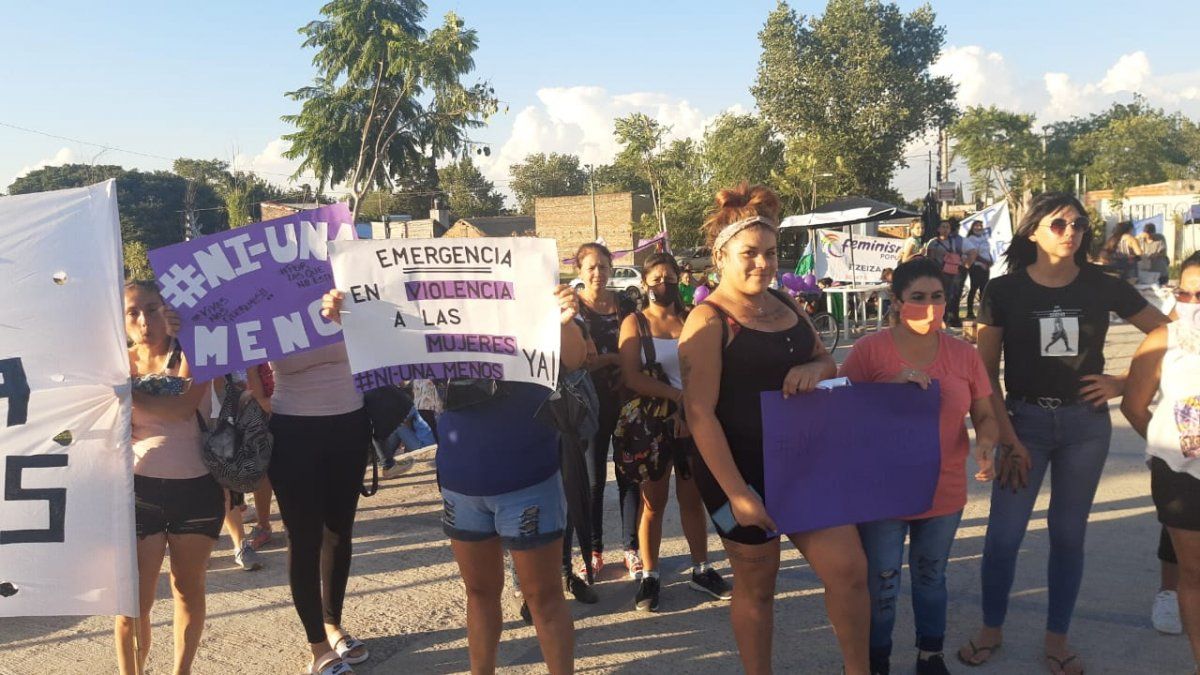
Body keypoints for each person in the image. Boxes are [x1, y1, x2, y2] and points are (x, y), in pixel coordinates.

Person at [321, 283, 587, 675]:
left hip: (528, 476)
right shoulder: (436, 320)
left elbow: (576, 359)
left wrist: (563, 320)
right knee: (479, 594)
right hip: (462, 483)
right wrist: (350, 317)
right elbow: (383, 350)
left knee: (543, 598)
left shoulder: (533, 305)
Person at [957, 192, 1169, 674]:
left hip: (1084, 427)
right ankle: (991, 629)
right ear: (1032, 231)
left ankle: (1057, 639)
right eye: (1058, 224)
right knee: (1004, 537)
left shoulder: (1102, 284)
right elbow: (984, 376)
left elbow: (1168, 332)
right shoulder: (1004, 291)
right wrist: (1005, 437)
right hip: (1023, 423)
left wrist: (1121, 382)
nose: (1070, 232)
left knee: (1068, 536)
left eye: (1077, 224)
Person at [679, 184, 869, 674]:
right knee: (758, 586)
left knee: (849, 571)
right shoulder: (708, 319)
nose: (762, 264)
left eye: (770, 252)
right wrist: (738, 492)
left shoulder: (785, 300)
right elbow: (699, 413)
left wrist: (818, 371)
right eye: (749, 254)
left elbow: (825, 359)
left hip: (803, 463)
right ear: (720, 255)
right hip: (737, 473)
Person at [840, 258, 999, 675]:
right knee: (884, 583)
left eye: (937, 297)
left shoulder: (964, 355)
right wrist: (883, 390)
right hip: (882, 493)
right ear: (896, 302)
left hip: (942, 490)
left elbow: (984, 413)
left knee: (931, 577)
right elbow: (837, 409)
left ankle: (931, 653)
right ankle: (876, 660)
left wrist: (987, 443)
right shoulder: (869, 351)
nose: (929, 308)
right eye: (917, 298)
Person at [115, 281, 222, 675]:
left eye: (153, 308)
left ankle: (182, 671)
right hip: (137, 491)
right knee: (132, 607)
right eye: (133, 312)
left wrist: (124, 393)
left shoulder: (193, 353)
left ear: (168, 311)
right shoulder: (114, 364)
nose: (145, 321)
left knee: (187, 589)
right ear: (122, 321)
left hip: (196, 489)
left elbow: (181, 409)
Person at [617, 252, 732, 613]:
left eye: (669, 277)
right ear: (645, 281)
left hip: (692, 420)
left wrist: (692, 405)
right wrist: (677, 398)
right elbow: (631, 376)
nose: (663, 283)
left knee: (691, 497)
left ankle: (701, 568)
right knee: (653, 501)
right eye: (656, 277)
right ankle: (650, 574)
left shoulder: (690, 319)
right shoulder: (635, 323)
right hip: (653, 423)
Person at [267, 342, 373, 674]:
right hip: (291, 428)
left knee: (339, 532)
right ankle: (318, 646)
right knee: (302, 538)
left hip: (351, 423)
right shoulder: (262, 295)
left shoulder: (347, 290)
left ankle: (332, 624)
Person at [1122, 251, 1200, 670]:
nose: (1190, 303)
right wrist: (1168, 446)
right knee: (1194, 574)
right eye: (1183, 293)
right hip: (1181, 478)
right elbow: (1134, 406)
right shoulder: (1162, 339)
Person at [573, 242, 643, 581]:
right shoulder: (574, 310)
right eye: (591, 267)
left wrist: (610, 359)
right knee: (593, 481)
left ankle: (632, 549)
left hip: (627, 400)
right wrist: (616, 358)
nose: (598, 273)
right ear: (580, 271)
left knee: (630, 476)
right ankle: (593, 552)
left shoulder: (627, 305)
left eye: (603, 266)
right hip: (589, 405)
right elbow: (580, 360)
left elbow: (640, 349)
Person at [924, 220, 965, 327]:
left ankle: (947, 318)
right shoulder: (933, 242)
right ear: (938, 229)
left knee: (951, 296)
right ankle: (938, 318)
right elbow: (930, 258)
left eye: (947, 227)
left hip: (952, 272)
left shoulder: (953, 241)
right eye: (943, 227)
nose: (945, 229)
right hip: (939, 273)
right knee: (940, 296)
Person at [962, 219, 993, 320]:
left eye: (981, 226)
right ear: (972, 227)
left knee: (984, 289)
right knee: (974, 288)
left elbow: (987, 252)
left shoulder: (984, 238)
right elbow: (974, 254)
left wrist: (990, 260)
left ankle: (983, 312)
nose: (979, 228)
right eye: (977, 226)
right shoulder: (971, 239)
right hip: (976, 266)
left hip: (985, 267)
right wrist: (984, 262)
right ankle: (970, 312)